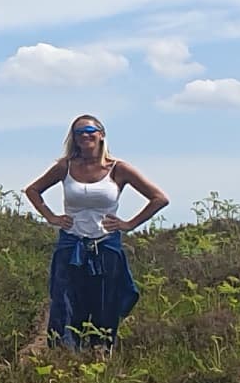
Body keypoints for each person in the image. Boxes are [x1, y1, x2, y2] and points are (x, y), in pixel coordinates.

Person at [22, 115, 169, 352]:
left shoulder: (118, 169)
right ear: (73, 138)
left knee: (105, 303)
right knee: (65, 304)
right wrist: (51, 217)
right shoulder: (65, 167)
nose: (85, 135)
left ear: (101, 134)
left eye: (90, 130)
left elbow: (159, 198)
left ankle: (100, 354)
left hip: (106, 245)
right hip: (71, 245)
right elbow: (32, 190)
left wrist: (129, 224)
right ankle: (63, 356)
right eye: (79, 132)